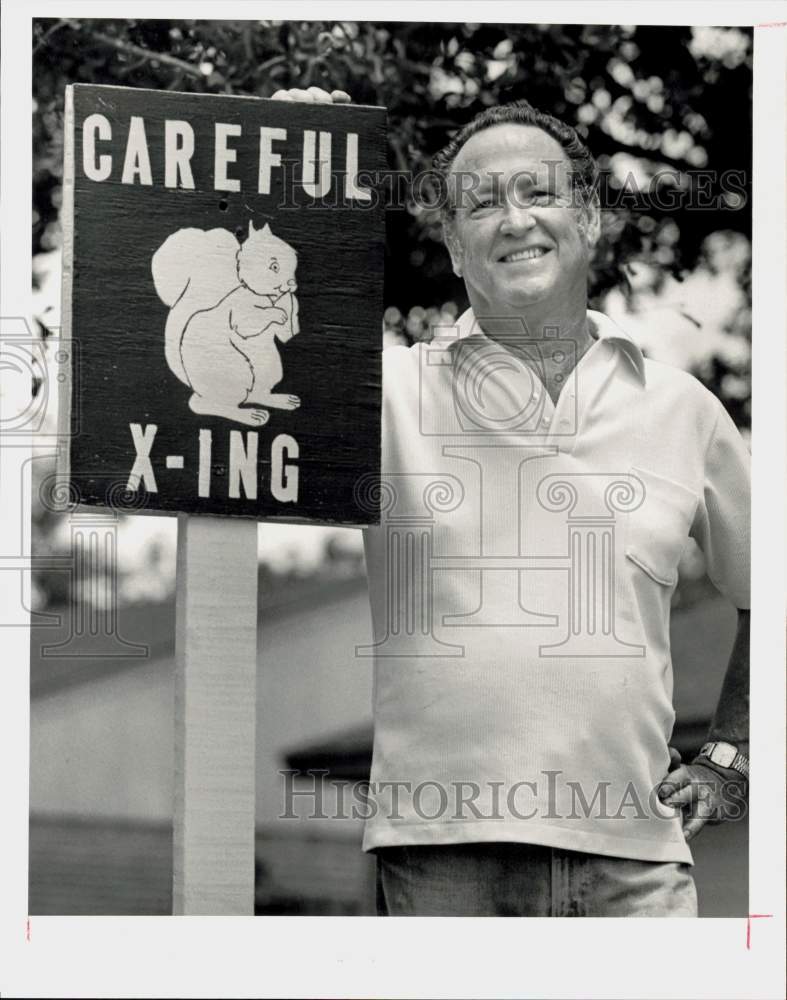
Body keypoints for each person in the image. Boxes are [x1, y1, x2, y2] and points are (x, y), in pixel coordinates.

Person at [273, 87, 751, 917]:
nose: (514, 218)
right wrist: (289, 159)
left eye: (538, 193)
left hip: (634, 862)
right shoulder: (381, 393)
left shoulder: (683, 410)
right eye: (481, 204)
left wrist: (729, 756)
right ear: (455, 247)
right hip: (439, 861)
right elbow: (267, 352)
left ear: (590, 218)